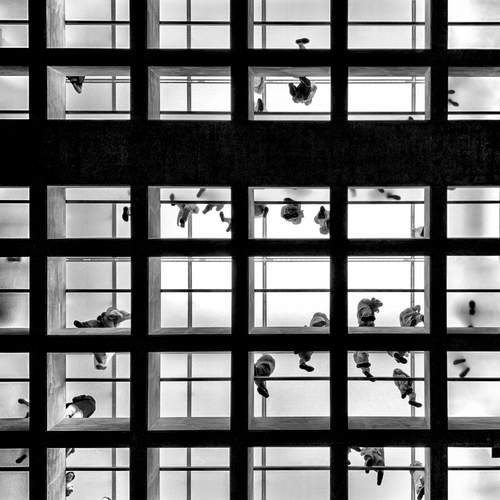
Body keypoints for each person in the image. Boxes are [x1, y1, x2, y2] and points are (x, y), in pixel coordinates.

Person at [288, 38, 317, 106]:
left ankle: (300, 45)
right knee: (305, 60)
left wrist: (293, 91)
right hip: (302, 76)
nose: (298, 96)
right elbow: (309, 84)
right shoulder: (306, 95)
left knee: (304, 61)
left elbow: (290, 84)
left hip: (300, 75)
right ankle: (301, 45)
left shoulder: (295, 94)